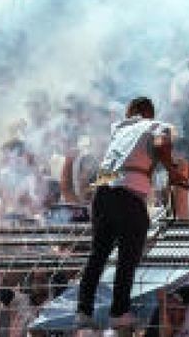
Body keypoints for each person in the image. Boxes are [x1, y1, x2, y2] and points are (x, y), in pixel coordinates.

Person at [74, 97, 177, 331]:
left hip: (102, 192)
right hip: (129, 194)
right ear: (149, 113)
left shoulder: (118, 129)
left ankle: (83, 309)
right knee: (128, 256)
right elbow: (163, 144)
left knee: (97, 254)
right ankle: (119, 312)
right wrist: (172, 167)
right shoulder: (155, 126)